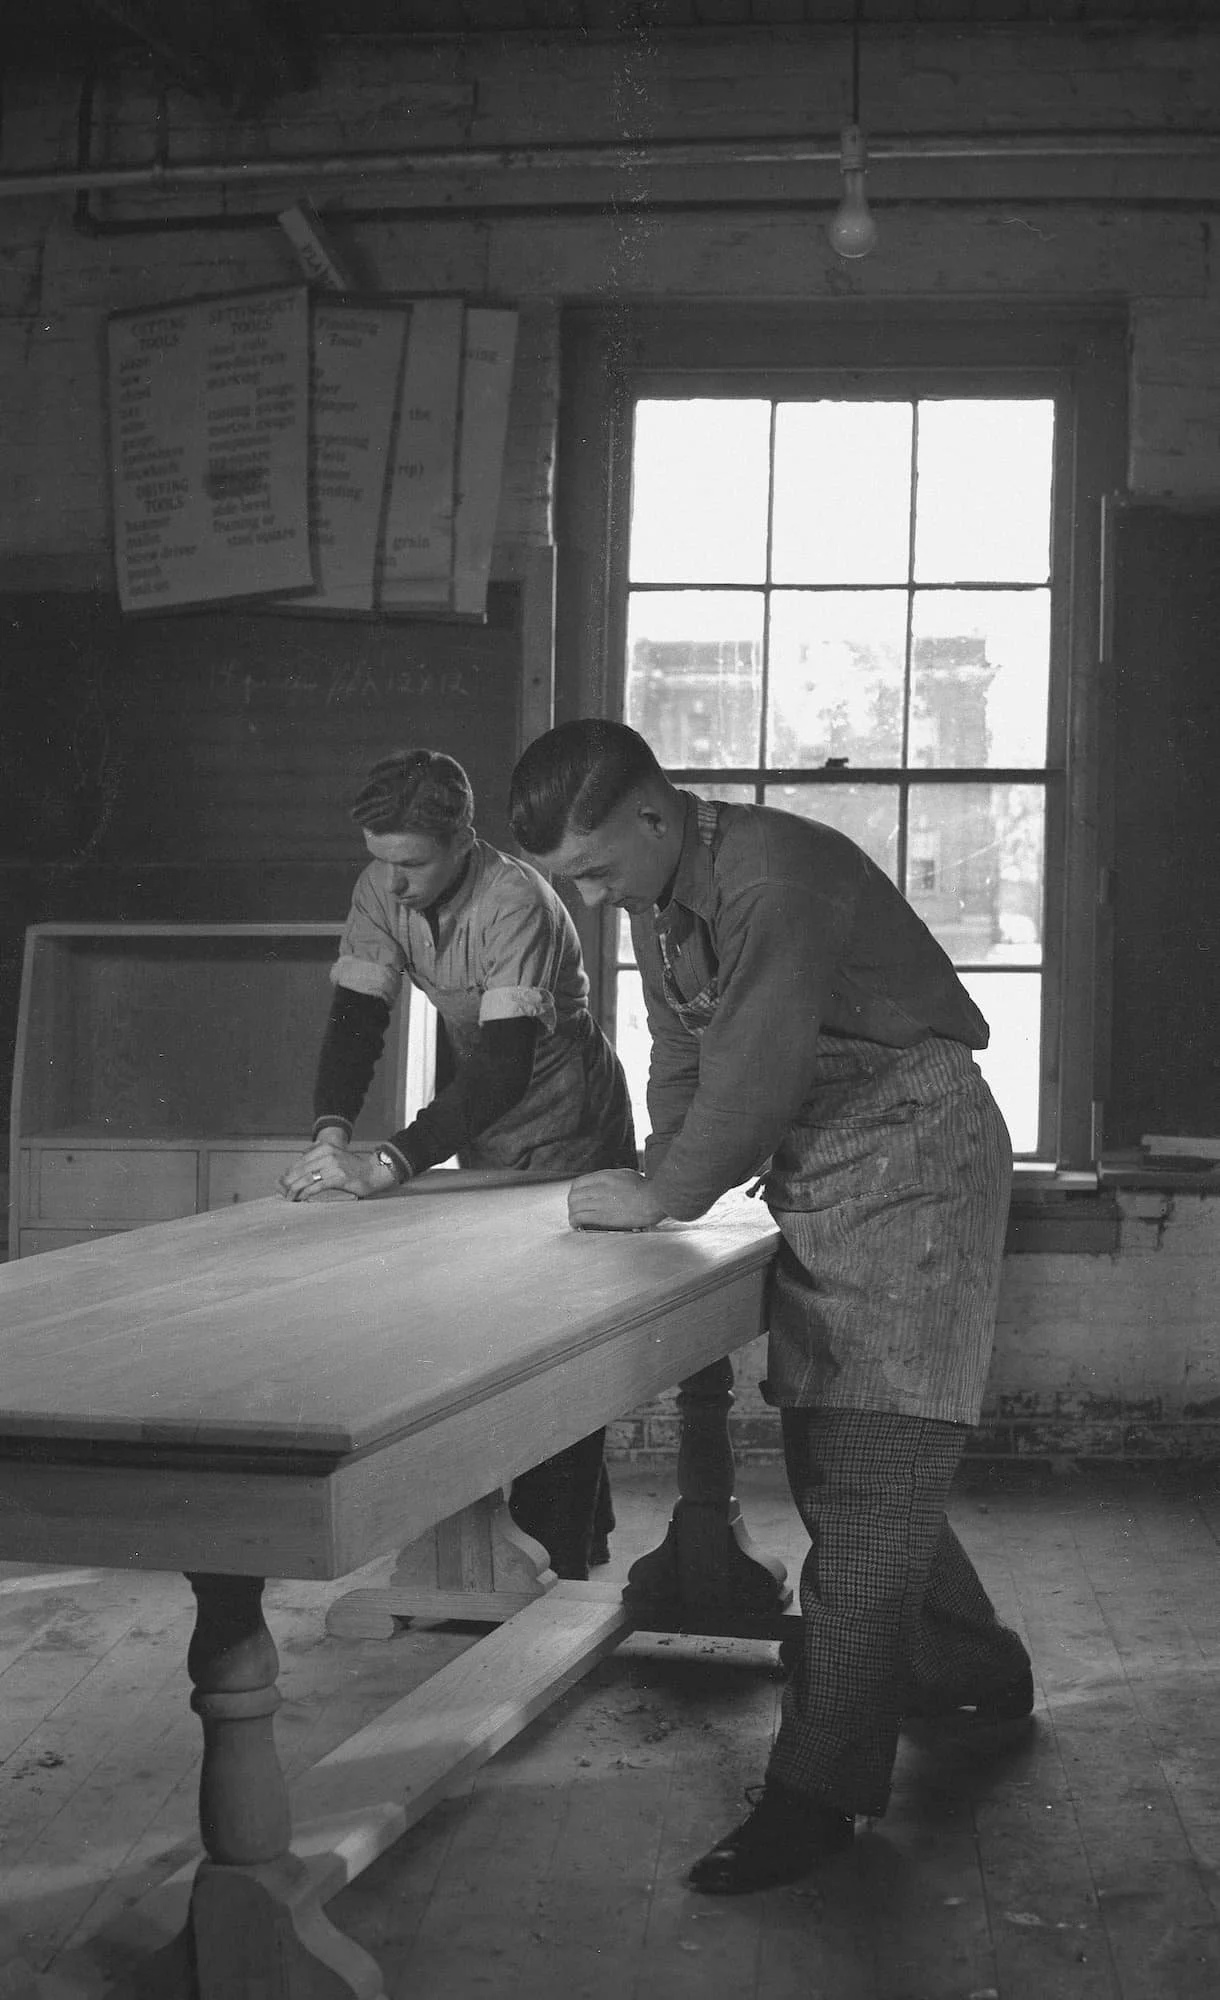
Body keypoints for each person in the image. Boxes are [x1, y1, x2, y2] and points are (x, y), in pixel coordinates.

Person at [506, 718, 1033, 1895]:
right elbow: (685, 1061)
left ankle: (814, 1796)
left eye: (593, 871)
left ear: (651, 814)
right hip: (818, 1165)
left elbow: (751, 1074)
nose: (589, 899)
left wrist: (664, 1191)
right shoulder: (659, 893)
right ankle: (982, 1674)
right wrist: (656, 1178)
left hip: (914, 1152)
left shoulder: (771, 874)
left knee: (865, 1484)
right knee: (838, 1461)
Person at [280, 748, 635, 1580]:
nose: (393, 884)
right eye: (380, 861)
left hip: (567, 1124)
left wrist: (388, 1164)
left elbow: (506, 1065)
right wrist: (331, 1133)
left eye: (411, 863)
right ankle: (534, 1549)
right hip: (484, 1121)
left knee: (560, 1344)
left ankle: (559, 1561)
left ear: (462, 841)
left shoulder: (518, 900)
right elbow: (357, 1022)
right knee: (494, 1330)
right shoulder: (383, 887)